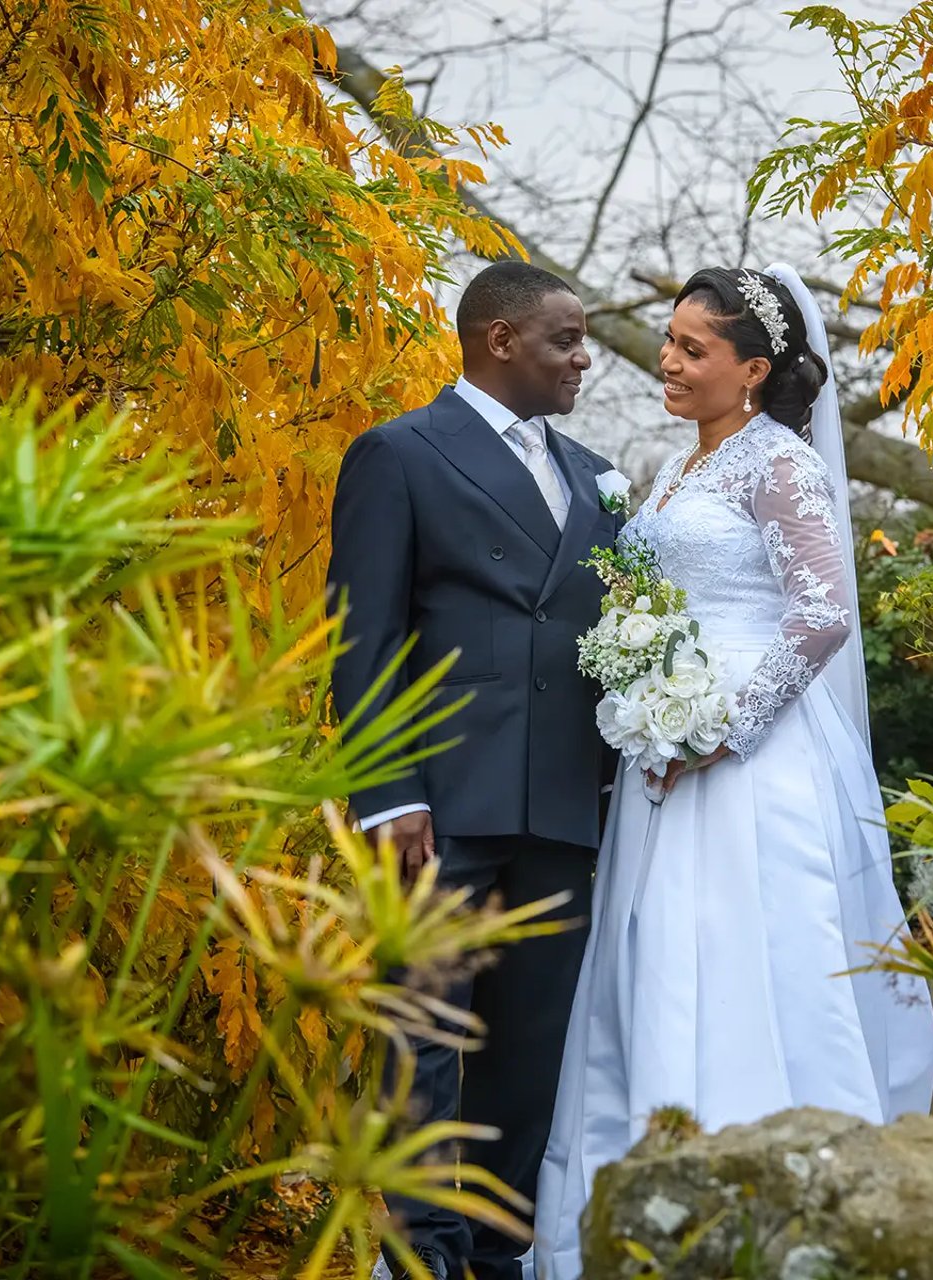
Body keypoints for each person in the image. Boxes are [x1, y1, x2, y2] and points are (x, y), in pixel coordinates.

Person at [533, 264, 933, 1280]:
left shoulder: (780, 465)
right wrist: (641, 690)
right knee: (653, 950)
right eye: (668, 340)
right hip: (657, 756)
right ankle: (643, 1190)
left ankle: (785, 1196)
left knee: (750, 951)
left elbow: (821, 614)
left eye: (692, 349)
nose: (667, 361)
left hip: (753, 760)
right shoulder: (670, 472)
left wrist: (725, 726)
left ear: (752, 370)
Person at [327, 260, 624, 1280]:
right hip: (440, 806)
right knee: (423, 1035)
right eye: (565, 339)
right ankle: (421, 1253)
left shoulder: (595, 475)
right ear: (500, 339)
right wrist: (389, 794)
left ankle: (498, 1254)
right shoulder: (398, 454)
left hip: (561, 806)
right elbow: (359, 642)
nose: (585, 356)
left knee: (527, 1044)